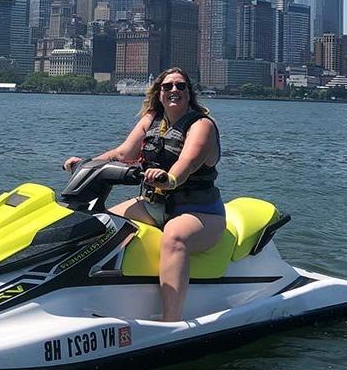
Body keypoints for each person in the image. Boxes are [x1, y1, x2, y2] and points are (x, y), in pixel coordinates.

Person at [62, 67, 225, 322]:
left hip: (199, 211)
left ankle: (171, 321)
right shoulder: (151, 120)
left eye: (181, 86)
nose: (174, 90)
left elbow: (188, 162)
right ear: (159, 93)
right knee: (101, 224)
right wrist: (86, 164)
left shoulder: (201, 125)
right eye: (167, 86)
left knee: (175, 237)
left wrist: (168, 178)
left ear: (189, 92)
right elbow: (123, 154)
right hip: (154, 205)